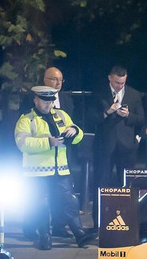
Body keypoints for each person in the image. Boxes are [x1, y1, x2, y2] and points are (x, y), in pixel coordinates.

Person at [14, 86, 94, 250]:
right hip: (37, 172)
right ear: (36, 100)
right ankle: (45, 236)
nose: (48, 105)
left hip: (61, 170)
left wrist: (74, 130)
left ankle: (79, 233)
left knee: (70, 201)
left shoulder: (61, 115)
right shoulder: (26, 119)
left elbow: (78, 135)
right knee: (41, 203)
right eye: (44, 101)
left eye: (50, 101)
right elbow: (22, 144)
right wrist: (48, 143)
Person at [92, 65, 145, 189]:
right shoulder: (99, 93)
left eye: (123, 83)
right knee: (101, 182)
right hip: (104, 145)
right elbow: (91, 118)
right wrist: (107, 112)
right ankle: (100, 208)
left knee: (127, 185)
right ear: (109, 78)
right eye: (117, 82)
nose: (120, 86)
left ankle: (128, 208)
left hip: (126, 146)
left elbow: (141, 119)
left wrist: (128, 115)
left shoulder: (134, 94)